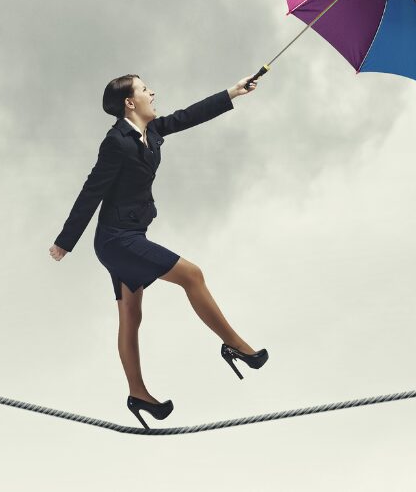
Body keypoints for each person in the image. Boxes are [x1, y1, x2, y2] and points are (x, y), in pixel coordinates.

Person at [49, 74, 269, 429]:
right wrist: (65, 241)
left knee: (131, 316)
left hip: (130, 232)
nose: (152, 92)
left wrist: (233, 92)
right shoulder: (115, 143)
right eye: (144, 88)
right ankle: (235, 345)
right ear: (129, 103)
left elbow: (189, 115)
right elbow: (92, 191)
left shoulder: (152, 132)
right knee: (192, 275)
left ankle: (138, 393)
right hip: (116, 240)